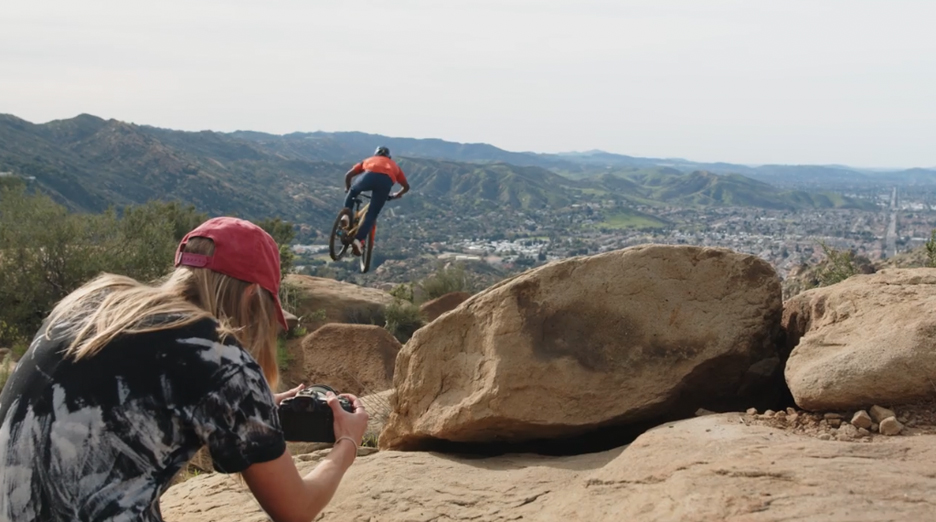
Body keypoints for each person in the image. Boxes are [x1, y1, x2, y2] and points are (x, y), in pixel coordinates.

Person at [0, 216, 369, 522]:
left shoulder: (92, 304)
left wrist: (250, 409)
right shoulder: (219, 357)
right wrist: (347, 444)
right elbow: (296, 510)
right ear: (250, 296)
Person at [342, 146, 409, 255]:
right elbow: (406, 186)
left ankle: (345, 215)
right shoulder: (395, 166)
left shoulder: (368, 160)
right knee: (371, 215)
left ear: (376, 154)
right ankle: (358, 240)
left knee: (353, 191)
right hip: (385, 183)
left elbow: (348, 175)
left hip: (368, 177)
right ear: (389, 157)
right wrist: (398, 194)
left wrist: (348, 188)